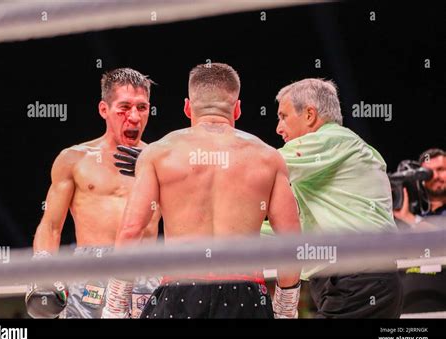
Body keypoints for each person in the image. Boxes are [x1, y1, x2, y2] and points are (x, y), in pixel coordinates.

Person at [104, 63, 301, 319]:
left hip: (180, 291)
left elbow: (131, 230)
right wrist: (286, 311)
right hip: (246, 296)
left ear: (187, 107)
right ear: (237, 108)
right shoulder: (268, 158)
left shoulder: (158, 154)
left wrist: (115, 308)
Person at [262, 78, 403, 318]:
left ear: (309, 114)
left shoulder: (331, 141)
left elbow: (257, 167)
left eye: (283, 116)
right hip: (356, 283)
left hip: (358, 280)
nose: (278, 128)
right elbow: (292, 229)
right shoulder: (330, 163)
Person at [26, 68, 160, 319]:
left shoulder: (160, 161)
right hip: (90, 272)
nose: (134, 117)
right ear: (103, 110)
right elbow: (52, 225)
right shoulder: (74, 159)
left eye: (142, 108)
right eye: (124, 107)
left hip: (143, 269)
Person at [394, 148, 446, 313]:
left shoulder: (409, 217)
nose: (435, 176)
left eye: (441, 170)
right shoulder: (408, 212)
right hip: (407, 304)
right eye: (428, 172)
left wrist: (410, 219)